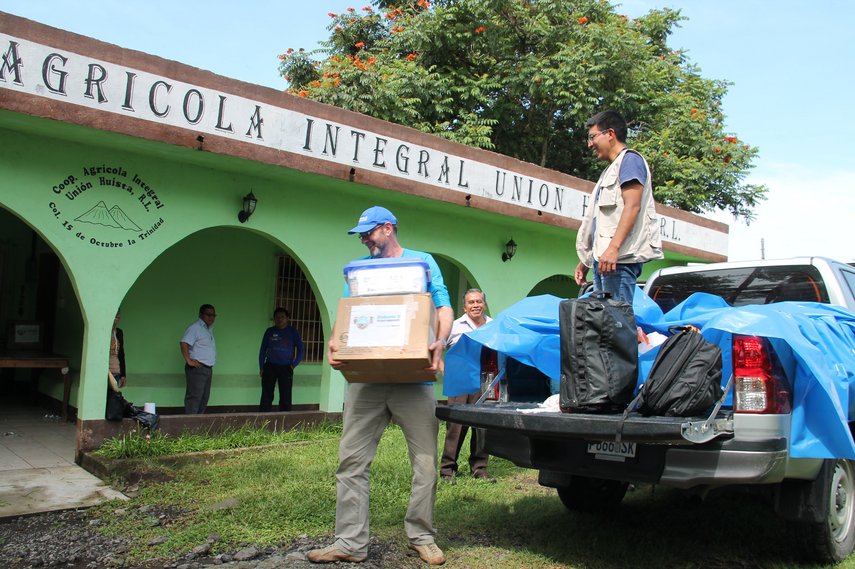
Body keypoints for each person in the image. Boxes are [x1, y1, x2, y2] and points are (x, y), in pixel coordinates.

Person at [307, 206, 453, 566]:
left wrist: (440, 340)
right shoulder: (359, 271)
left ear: (388, 228)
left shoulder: (422, 263)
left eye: (368, 232)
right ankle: (349, 542)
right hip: (366, 381)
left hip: (415, 380)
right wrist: (334, 342)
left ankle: (422, 536)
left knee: (426, 464)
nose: (363, 238)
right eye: (360, 234)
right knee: (351, 461)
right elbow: (350, 315)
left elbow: (443, 307)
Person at [574, 110, 663, 303]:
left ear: (610, 134)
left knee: (616, 324)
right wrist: (586, 260)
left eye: (592, 137)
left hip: (619, 261)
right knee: (605, 325)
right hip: (604, 261)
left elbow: (632, 206)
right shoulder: (609, 170)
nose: (589, 144)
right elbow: (603, 222)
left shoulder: (630, 161)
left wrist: (614, 249)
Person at [440, 288, 494, 484]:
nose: (476, 305)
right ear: (465, 307)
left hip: (485, 380)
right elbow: (437, 348)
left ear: (484, 304)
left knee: (482, 426)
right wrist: (445, 370)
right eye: (471, 302)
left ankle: (479, 468)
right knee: (456, 426)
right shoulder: (454, 326)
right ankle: (447, 470)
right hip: (460, 380)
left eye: (479, 301)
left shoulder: (493, 325)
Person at [258, 308, 304, 412]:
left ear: (287, 318)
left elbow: (301, 350)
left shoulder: (293, 332)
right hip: (269, 366)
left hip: (286, 367)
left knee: (286, 396)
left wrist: (293, 365)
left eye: (282, 317)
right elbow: (262, 350)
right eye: (277, 317)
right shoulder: (269, 331)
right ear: (274, 319)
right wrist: (261, 367)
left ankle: (285, 420)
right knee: (266, 394)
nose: (280, 319)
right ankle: (263, 419)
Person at [180, 304, 217, 414]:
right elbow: (184, 343)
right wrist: (189, 360)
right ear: (201, 315)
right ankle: (190, 425)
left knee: (204, 398)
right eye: (208, 314)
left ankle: (198, 424)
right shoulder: (195, 328)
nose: (211, 317)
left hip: (207, 368)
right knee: (194, 398)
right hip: (197, 368)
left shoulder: (208, 329)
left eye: (213, 315)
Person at [109, 310, 126, 389]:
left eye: (118, 317)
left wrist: (123, 375)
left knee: (114, 396)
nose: (116, 319)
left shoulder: (119, 332)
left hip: (116, 371)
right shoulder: (104, 332)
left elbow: (121, 354)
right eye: (115, 317)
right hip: (106, 371)